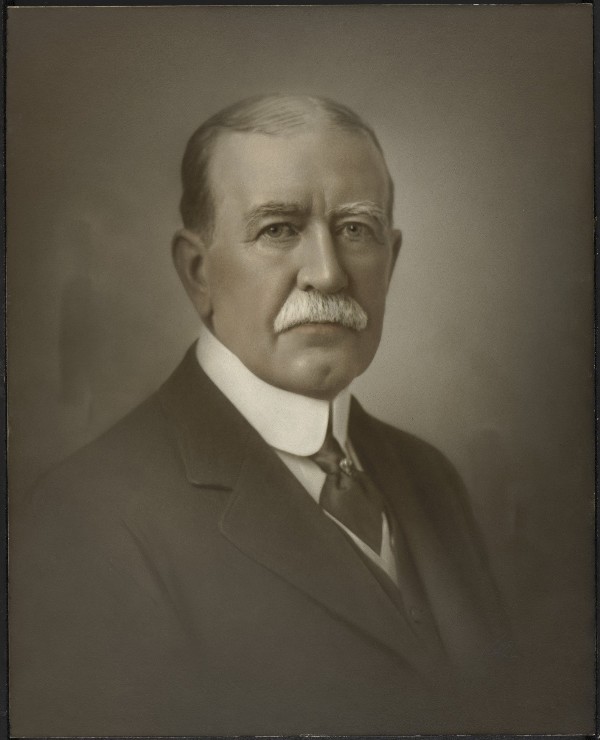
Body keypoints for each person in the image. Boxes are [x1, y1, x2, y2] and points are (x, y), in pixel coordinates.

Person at [9, 95, 511, 736]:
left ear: (393, 259)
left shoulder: (432, 477)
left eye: (356, 230)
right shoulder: (88, 519)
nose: (328, 274)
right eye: (278, 229)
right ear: (198, 272)